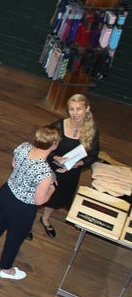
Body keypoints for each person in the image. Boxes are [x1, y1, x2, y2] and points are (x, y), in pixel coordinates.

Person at [0, 125, 60, 280]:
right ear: (54, 145)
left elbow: (14, 165)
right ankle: (6, 269)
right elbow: (40, 200)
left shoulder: (23, 147)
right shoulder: (45, 173)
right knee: (14, 238)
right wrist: (52, 189)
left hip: (6, 193)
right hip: (22, 207)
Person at [39, 94, 100, 238]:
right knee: (38, 196)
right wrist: (55, 157)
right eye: (71, 109)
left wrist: (78, 163)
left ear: (87, 109)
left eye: (79, 109)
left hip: (70, 172)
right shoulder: (58, 126)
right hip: (50, 168)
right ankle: (27, 223)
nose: (75, 113)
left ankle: (45, 219)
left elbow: (93, 155)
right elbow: (42, 146)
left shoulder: (92, 132)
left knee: (58, 197)